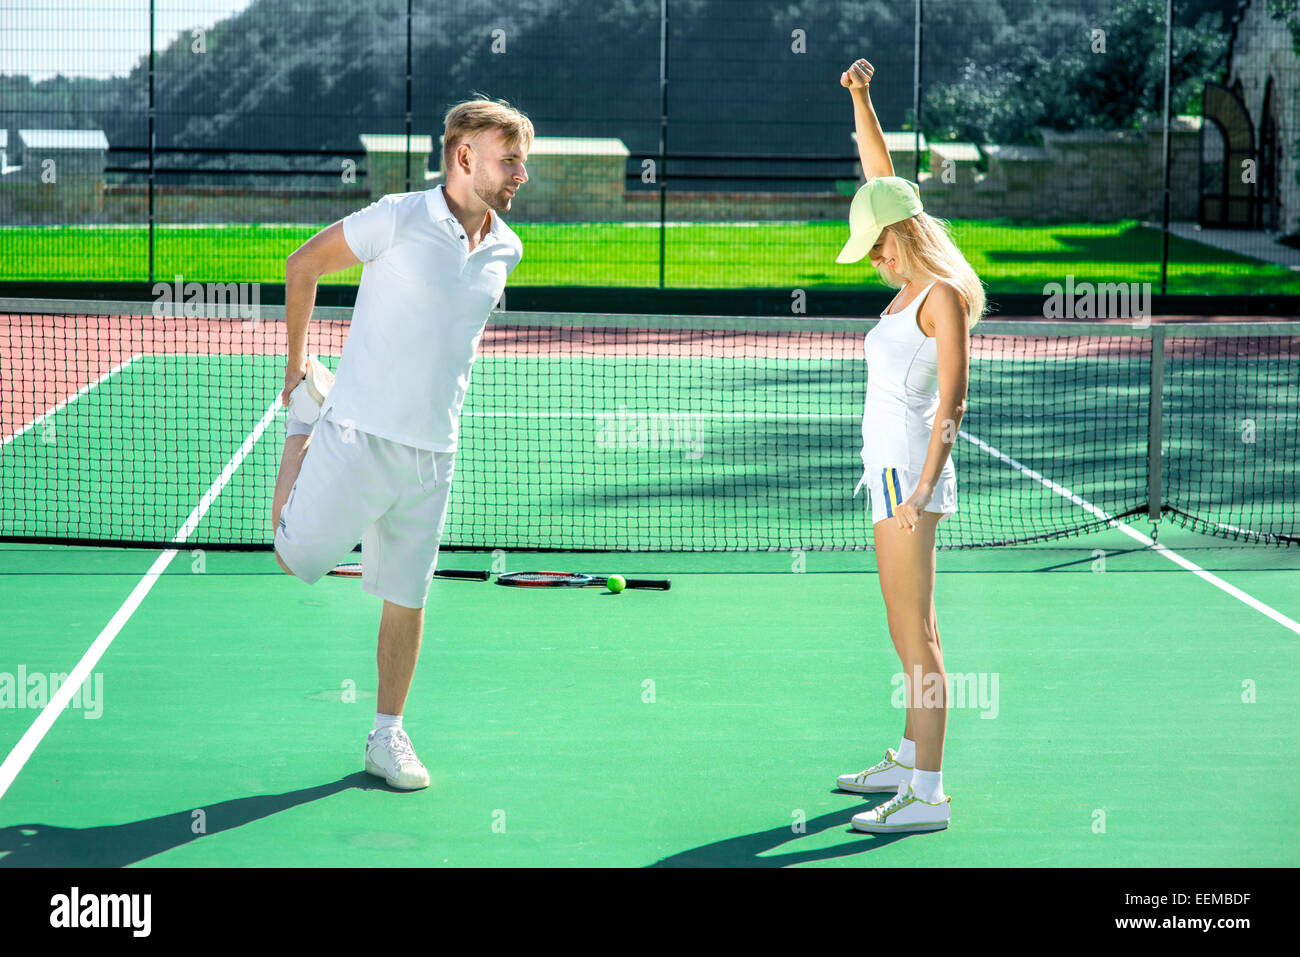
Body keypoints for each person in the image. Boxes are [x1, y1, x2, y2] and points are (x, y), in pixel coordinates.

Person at [269, 96, 532, 790]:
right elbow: (303, 266)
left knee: (408, 598)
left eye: (523, 161)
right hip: (354, 435)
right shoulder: (397, 215)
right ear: (464, 156)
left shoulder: (508, 247)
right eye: (509, 160)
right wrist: (297, 370)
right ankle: (303, 419)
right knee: (295, 558)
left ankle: (387, 736)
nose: (520, 173)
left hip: (433, 454)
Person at [833, 58, 986, 832]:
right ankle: (905, 755)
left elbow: (953, 400)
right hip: (889, 476)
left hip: (908, 479)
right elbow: (882, 179)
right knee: (904, 632)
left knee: (917, 636)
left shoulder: (943, 297)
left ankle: (927, 793)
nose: (873, 258)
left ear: (903, 235)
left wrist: (923, 486)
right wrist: (862, 100)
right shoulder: (905, 283)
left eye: (879, 246)